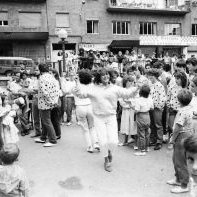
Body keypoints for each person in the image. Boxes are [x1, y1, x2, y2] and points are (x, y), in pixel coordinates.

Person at [75, 68, 139, 172]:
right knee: (103, 141)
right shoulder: (93, 88)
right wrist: (77, 83)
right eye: (103, 75)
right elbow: (81, 94)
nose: (106, 77)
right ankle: (106, 160)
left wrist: (137, 88)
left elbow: (127, 93)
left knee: (114, 141)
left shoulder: (114, 88)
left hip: (111, 116)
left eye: (107, 75)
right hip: (98, 117)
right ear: (99, 78)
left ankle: (109, 151)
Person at [167, 89, 194, 194]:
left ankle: (184, 185)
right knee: (176, 159)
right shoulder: (189, 108)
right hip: (188, 134)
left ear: (179, 100)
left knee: (180, 161)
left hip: (181, 136)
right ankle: (178, 179)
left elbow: (178, 127)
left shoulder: (182, 112)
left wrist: (172, 139)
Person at [75, 69, 100, 153]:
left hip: (80, 107)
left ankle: (89, 146)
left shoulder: (76, 86)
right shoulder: (91, 86)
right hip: (90, 106)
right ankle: (96, 143)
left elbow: (67, 91)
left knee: (85, 128)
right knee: (92, 126)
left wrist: (76, 82)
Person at [35, 64, 60, 147]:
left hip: (44, 103)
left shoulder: (41, 78)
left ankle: (52, 140)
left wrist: (50, 101)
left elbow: (44, 92)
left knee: (46, 121)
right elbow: (56, 90)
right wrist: (54, 101)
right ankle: (43, 137)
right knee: (46, 120)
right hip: (52, 102)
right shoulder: (51, 77)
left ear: (40, 70)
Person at [147, 68, 166, 150]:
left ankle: (159, 141)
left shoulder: (159, 85)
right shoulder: (151, 85)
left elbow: (162, 98)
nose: (149, 79)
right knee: (152, 124)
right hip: (151, 107)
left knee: (158, 124)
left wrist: (158, 105)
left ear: (154, 76)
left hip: (157, 108)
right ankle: (153, 139)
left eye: (150, 77)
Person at [133, 84, 154, 156]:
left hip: (140, 116)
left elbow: (137, 110)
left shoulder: (138, 100)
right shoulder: (150, 98)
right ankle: (147, 147)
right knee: (147, 133)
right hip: (147, 116)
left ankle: (142, 150)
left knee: (141, 134)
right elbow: (152, 108)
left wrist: (133, 109)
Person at [119, 76, 137, 147]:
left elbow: (136, 99)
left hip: (133, 110)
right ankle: (125, 141)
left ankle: (136, 142)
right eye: (129, 81)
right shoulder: (122, 90)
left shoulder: (134, 90)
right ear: (125, 82)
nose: (131, 83)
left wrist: (130, 103)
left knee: (133, 125)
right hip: (126, 110)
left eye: (132, 82)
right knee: (126, 124)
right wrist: (127, 105)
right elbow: (121, 100)